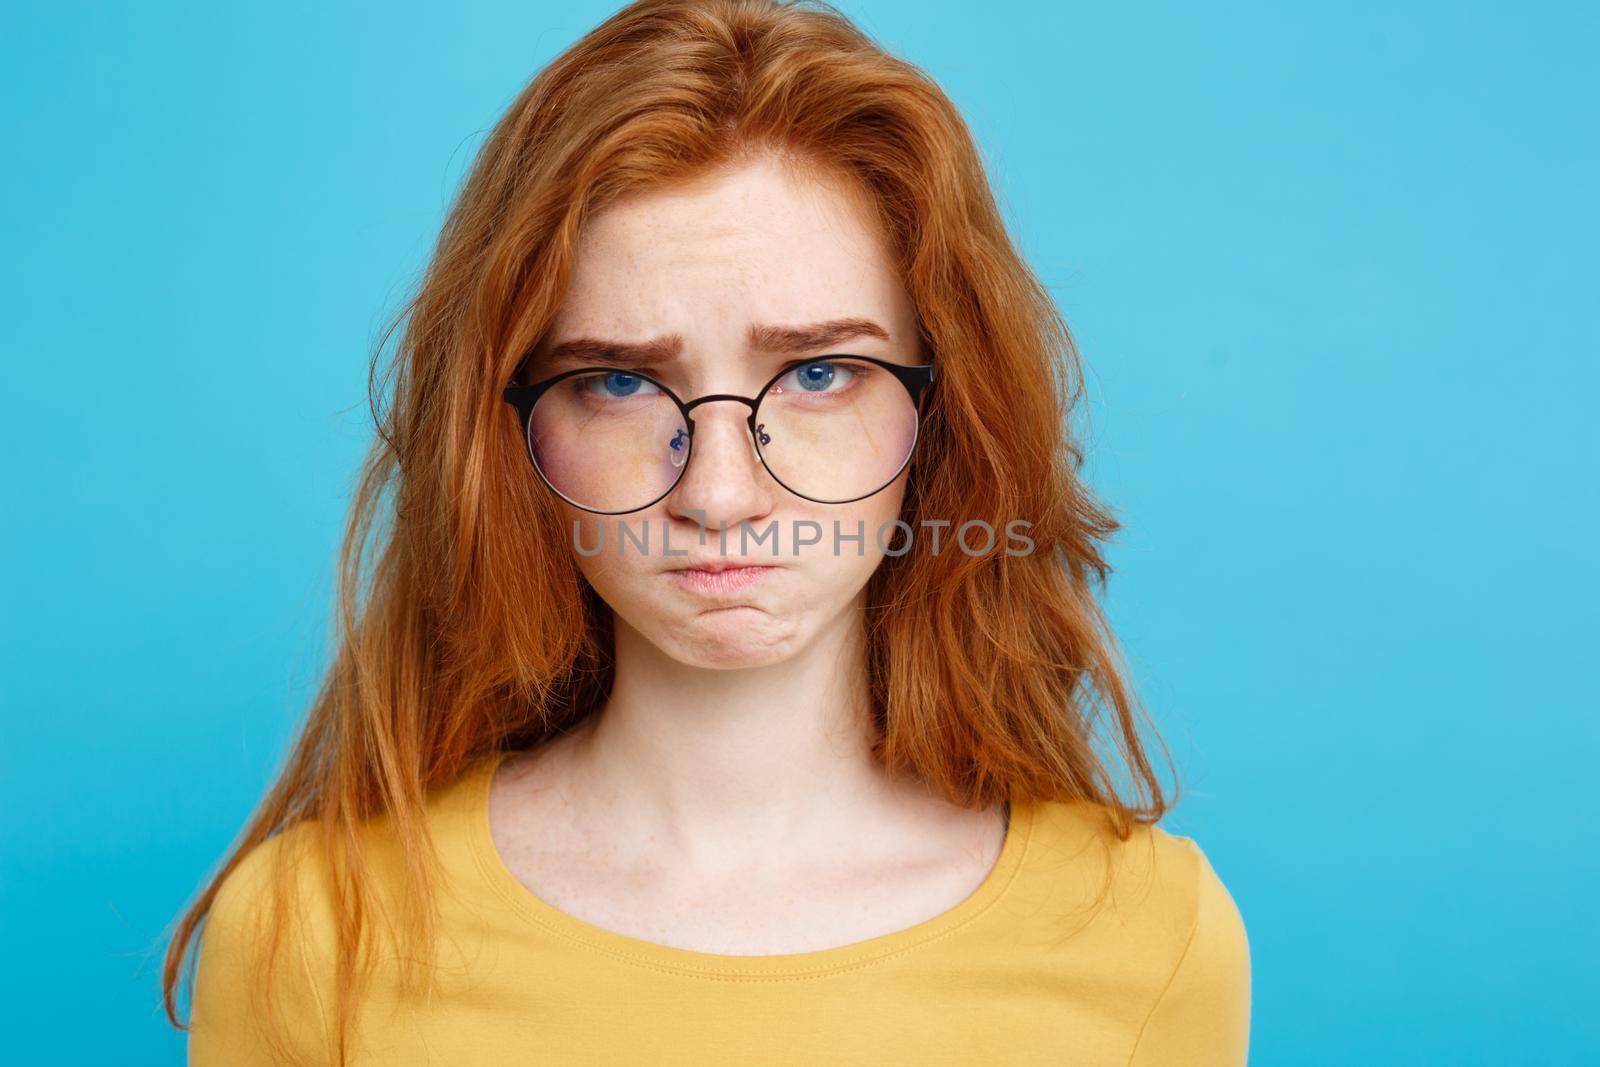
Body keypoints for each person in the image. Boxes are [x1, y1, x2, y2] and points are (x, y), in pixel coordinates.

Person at [166, 1, 1251, 1063]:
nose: (721, 495)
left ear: (944, 411)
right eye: (622, 381)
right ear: (504, 431)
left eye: (821, 373)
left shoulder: (1148, 936)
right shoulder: (311, 934)